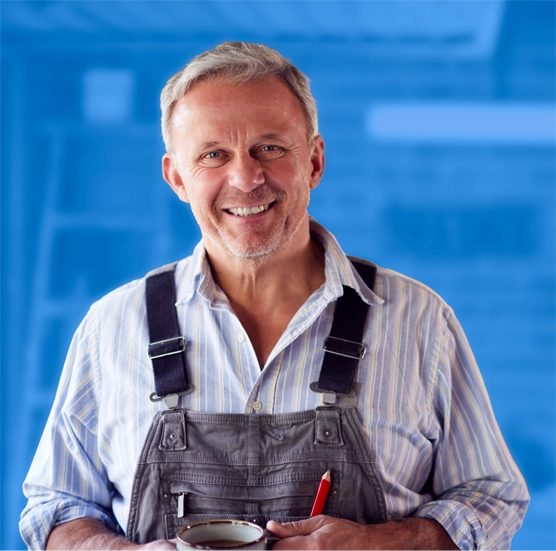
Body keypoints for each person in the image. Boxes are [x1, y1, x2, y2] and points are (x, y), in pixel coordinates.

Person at [20, 42, 528, 551]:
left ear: (314, 161)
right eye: (213, 155)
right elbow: (56, 508)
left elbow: (492, 498)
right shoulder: (112, 325)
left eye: (270, 147)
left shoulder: (418, 320)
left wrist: (382, 544)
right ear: (176, 177)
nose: (246, 178)